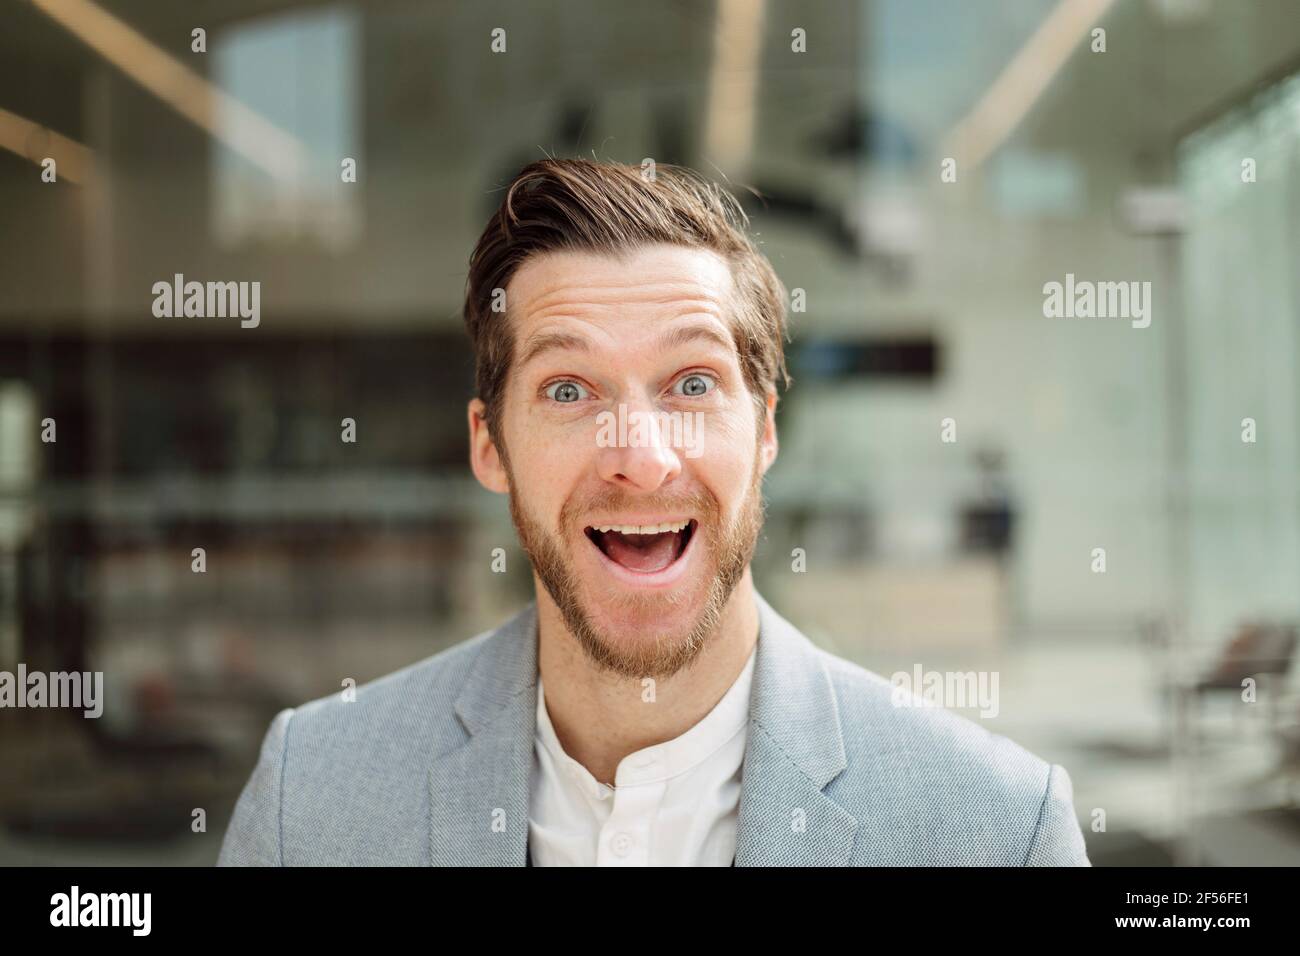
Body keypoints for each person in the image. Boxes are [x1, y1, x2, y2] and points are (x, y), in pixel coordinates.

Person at [218, 158, 1090, 866]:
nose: (641, 456)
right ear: (491, 447)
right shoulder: (314, 798)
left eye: (694, 383)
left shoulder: (995, 831)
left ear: (764, 434)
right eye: (569, 388)